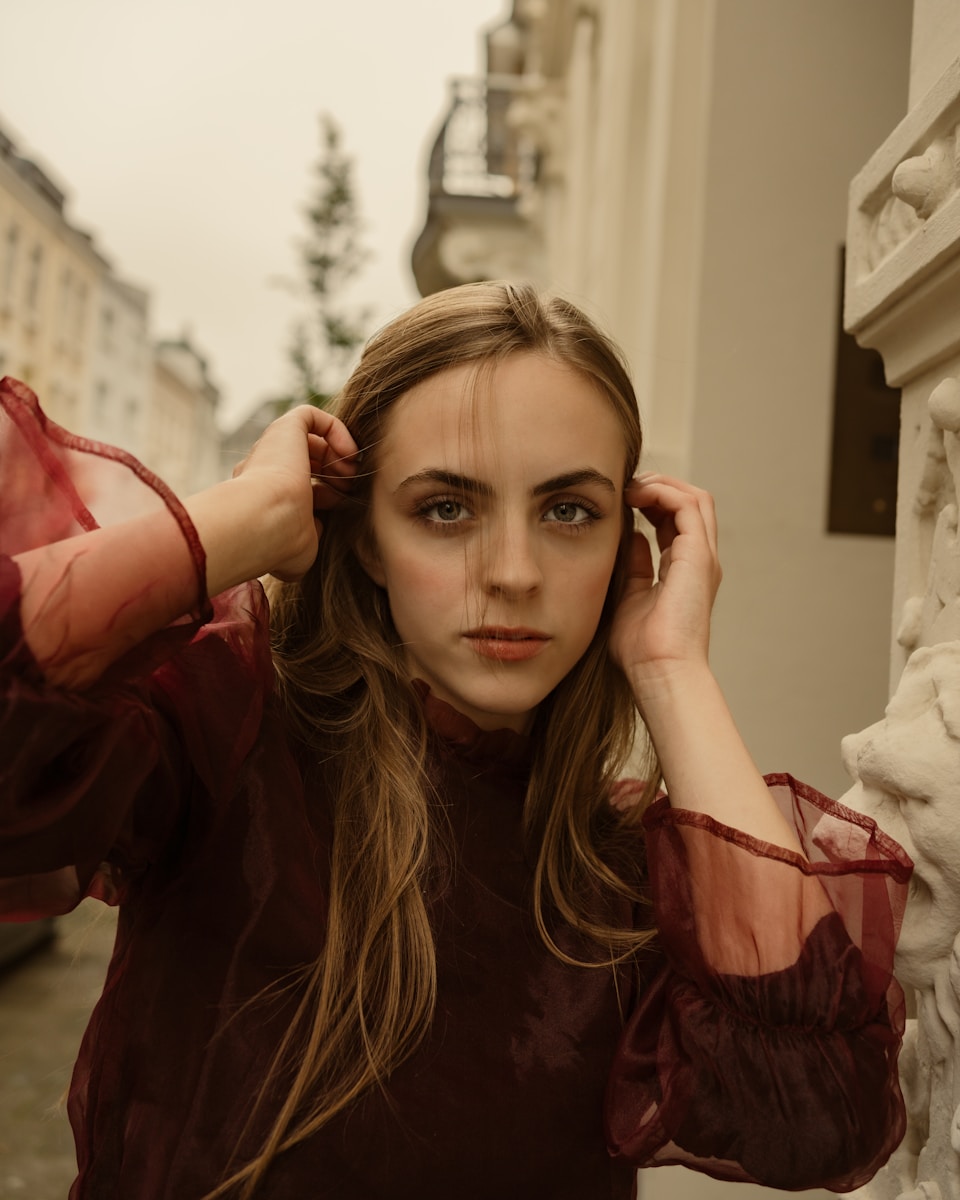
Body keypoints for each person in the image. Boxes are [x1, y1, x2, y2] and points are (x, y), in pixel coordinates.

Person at [0, 281, 911, 1200]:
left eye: (568, 512)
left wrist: (673, 666)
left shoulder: (622, 867)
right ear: (359, 537)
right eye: (445, 508)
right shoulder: (221, 731)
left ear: (626, 549)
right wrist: (245, 522)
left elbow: (818, 1115)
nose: (514, 574)